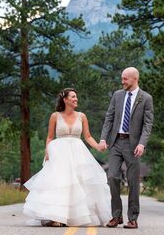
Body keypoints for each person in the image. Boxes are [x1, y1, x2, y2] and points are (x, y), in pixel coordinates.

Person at [22, 88, 111, 227]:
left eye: (76, 97)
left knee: (78, 184)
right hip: (59, 153)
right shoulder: (55, 116)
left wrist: (98, 146)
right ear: (65, 99)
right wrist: (47, 152)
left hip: (78, 152)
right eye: (73, 96)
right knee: (59, 184)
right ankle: (55, 217)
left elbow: (87, 136)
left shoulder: (82, 116)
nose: (76, 99)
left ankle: (74, 217)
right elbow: (50, 136)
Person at [99, 67, 154, 229]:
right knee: (112, 177)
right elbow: (109, 118)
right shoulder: (117, 95)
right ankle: (116, 216)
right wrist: (103, 138)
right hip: (116, 142)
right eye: (122, 78)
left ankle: (133, 218)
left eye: (125, 79)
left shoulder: (146, 98)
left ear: (134, 79)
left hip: (133, 145)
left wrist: (142, 143)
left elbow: (148, 124)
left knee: (133, 182)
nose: (122, 81)